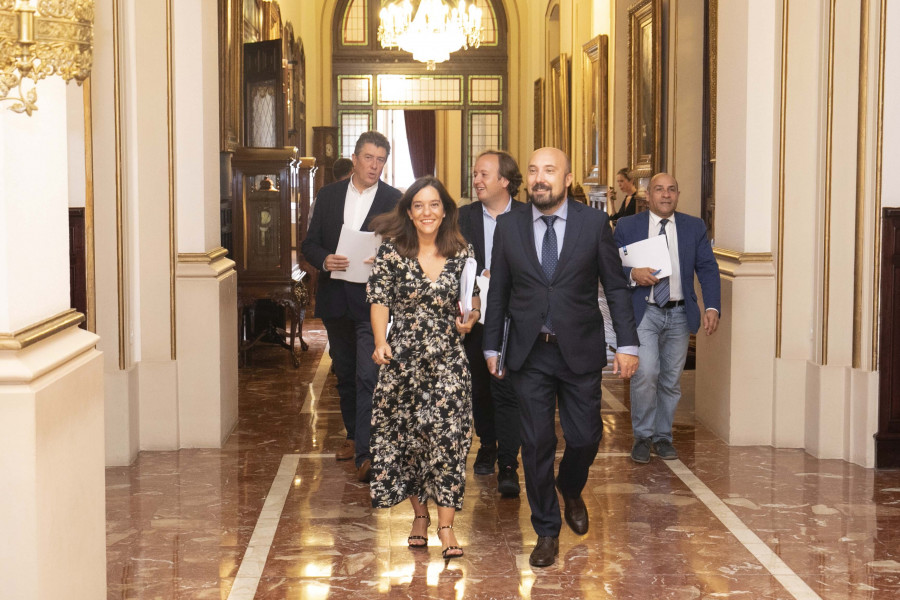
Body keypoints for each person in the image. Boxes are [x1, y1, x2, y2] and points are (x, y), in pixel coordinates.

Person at [483, 147, 640, 568]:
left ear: (566, 179)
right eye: (533, 171)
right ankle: (547, 530)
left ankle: (570, 487)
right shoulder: (509, 225)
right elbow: (498, 291)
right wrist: (491, 345)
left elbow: (616, 287)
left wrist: (628, 343)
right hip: (529, 353)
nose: (539, 178)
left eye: (549, 171)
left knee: (586, 437)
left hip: (579, 350)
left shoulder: (593, 225)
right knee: (534, 444)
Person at [366, 176, 480, 560]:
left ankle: (447, 525)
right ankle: (420, 516)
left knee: (449, 441)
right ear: (409, 212)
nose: (427, 212)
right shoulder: (392, 252)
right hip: (404, 362)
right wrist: (381, 341)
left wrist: (472, 316)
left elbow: (472, 297)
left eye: (434, 205)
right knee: (409, 443)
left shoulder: (463, 251)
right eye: (419, 205)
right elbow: (379, 300)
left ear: (445, 210)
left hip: (448, 360)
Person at [301, 131, 402, 480]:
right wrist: (325, 259)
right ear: (356, 159)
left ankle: (367, 452)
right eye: (369, 158)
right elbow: (308, 245)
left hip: (373, 303)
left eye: (381, 160)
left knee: (368, 374)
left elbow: (406, 245)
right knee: (344, 372)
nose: (375, 166)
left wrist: (385, 256)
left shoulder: (394, 199)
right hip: (334, 299)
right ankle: (353, 434)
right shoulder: (328, 196)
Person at [613, 173, 721, 464]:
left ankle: (663, 437)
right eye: (659, 190)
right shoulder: (627, 226)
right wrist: (632, 274)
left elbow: (708, 268)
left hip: (679, 313)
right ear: (647, 196)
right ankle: (642, 436)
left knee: (671, 380)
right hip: (644, 311)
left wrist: (712, 306)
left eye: (671, 190)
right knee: (646, 373)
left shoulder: (693, 227)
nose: (665, 195)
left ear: (677, 194)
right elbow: (609, 266)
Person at [458, 150, 524, 495]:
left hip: (518, 319)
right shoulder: (461, 217)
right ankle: (487, 444)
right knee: (479, 387)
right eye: (475, 174)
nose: (477, 180)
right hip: (475, 319)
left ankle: (509, 462)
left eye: (484, 174)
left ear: (505, 180)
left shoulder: (529, 216)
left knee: (508, 388)